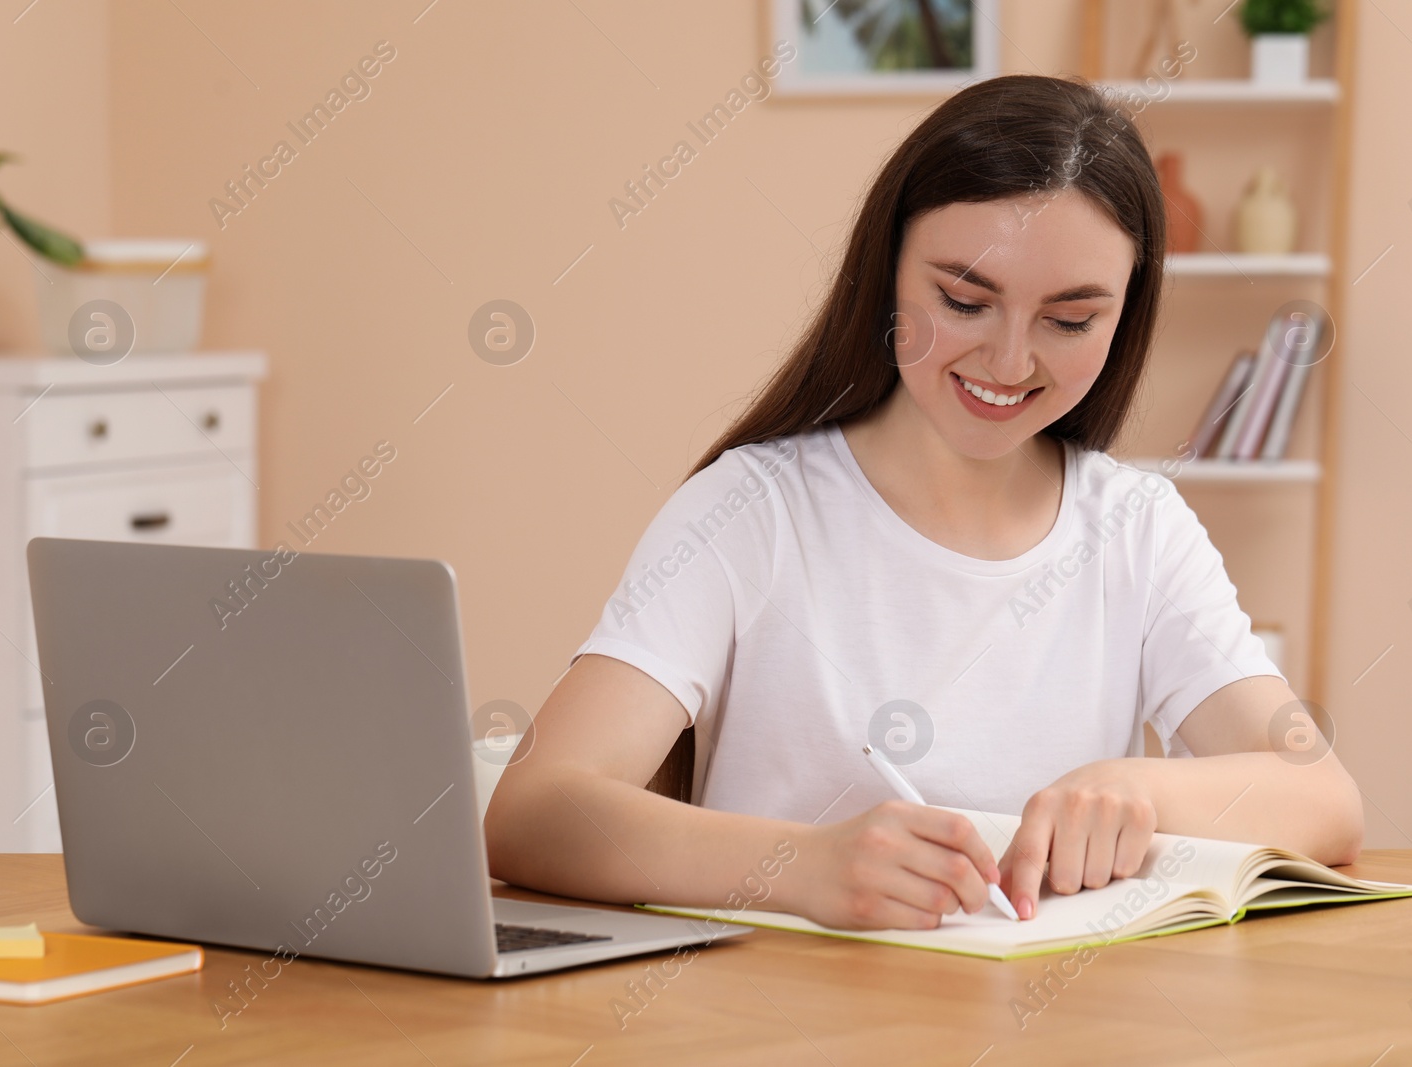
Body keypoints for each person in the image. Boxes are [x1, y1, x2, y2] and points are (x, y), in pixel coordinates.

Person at [485, 73, 1362, 930]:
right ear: (888, 272)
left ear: (1124, 316)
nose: (1010, 362)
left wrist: (1140, 788)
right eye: (964, 300)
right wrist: (802, 866)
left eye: (1070, 320)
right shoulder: (752, 509)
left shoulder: (1138, 527)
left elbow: (1323, 797)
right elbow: (535, 809)